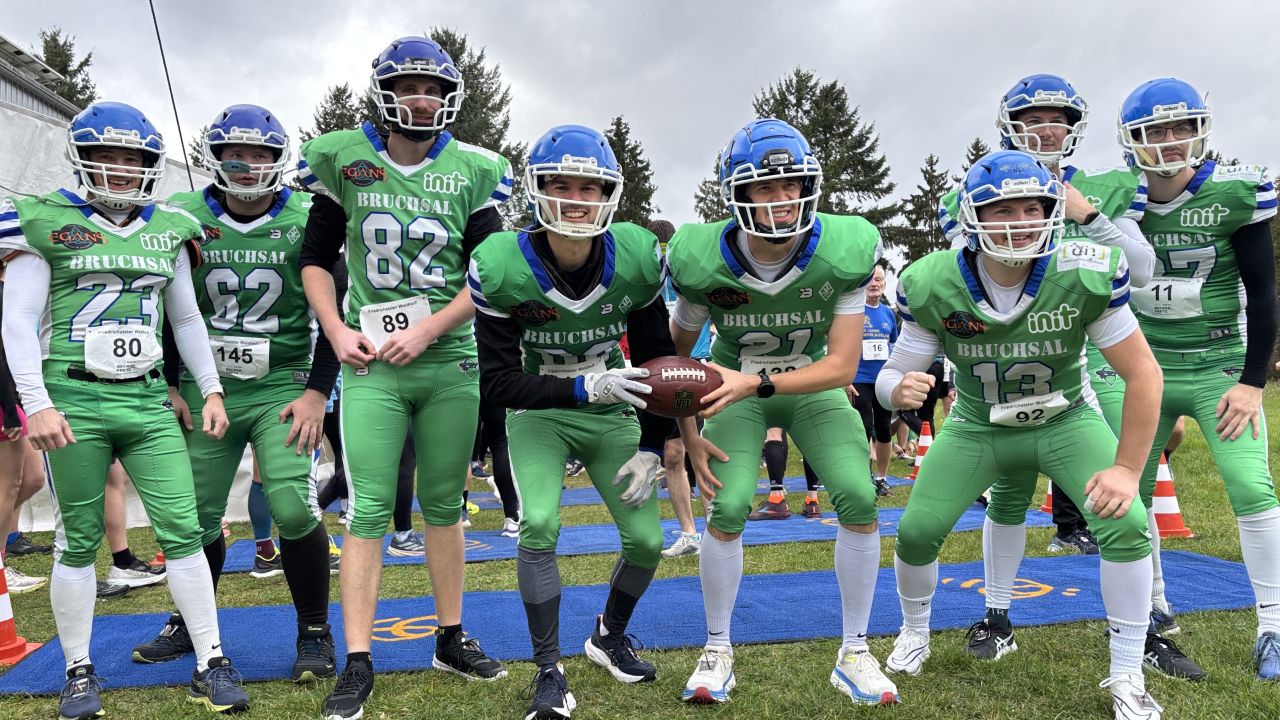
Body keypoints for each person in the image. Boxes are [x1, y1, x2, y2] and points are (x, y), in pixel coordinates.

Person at [881, 150, 1164, 719]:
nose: (1019, 221)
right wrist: (897, 390)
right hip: (977, 425)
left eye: (1032, 207)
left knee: (1128, 523)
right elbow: (893, 372)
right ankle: (915, 631)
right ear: (972, 216)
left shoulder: (1083, 268)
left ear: (1052, 210)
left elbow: (1143, 372)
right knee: (916, 531)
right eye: (1002, 208)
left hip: (1065, 419)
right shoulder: (932, 280)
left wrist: (1128, 470)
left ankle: (1128, 671)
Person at [0, 100, 250, 717]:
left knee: (187, 530)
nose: (119, 169)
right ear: (81, 158)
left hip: (145, 395)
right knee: (76, 539)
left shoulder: (168, 226)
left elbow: (186, 317)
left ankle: (210, 657)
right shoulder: (41, 218)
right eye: (105, 156)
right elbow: (19, 320)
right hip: (75, 396)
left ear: (148, 163)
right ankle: (79, 670)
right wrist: (37, 405)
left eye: (132, 157)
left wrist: (211, 387)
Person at [298, 36, 511, 720]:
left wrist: (428, 328)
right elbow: (314, 258)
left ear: (449, 98)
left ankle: (449, 636)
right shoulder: (344, 158)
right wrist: (336, 330)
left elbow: (489, 276)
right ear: (387, 93)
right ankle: (357, 660)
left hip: (449, 362)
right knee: (365, 508)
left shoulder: (473, 169)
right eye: (411, 86)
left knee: (445, 506)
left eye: (433, 88)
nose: (423, 98)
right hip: (371, 369)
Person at [670, 118, 897, 706]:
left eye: (790, 185)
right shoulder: (699, 257)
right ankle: (716, 646)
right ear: (737, 194)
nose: (781, 200)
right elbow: (677, 359)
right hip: (728, 388)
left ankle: (855, 650)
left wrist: (758, 382)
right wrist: (689, 436)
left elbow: (844, 366)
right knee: (728, 501)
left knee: (859, 493)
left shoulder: (843, 248)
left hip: (811, 383)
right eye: (764, 189)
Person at [129, 104, 340, 683]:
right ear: (215, 157)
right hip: (207, 388)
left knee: (295, 505)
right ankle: (187, 622)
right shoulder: (184, 217)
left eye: (262, 155)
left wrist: (320, 392)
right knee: (191, 515)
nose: (247, 166)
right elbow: (171, 309)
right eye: (233, 155)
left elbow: (333, 315)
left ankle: (315, 630)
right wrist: (171, 383)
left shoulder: (308, 217)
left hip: (284, 383)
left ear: (280, 159)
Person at [472, 124, 675, 720]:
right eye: (559, 184)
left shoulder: (636, 257)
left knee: (647, 540)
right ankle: (548, 670)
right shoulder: (503, 264)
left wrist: (653, 445)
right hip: (540, 413)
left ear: (608, 193)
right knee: (537, 523)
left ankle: (608, 635)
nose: (574, 199)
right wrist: (587, 384)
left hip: (612, 413)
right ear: (536, 191)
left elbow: (657, 358)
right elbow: (498, 382)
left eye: (587, 187)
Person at [1120, 77, 1280, 682]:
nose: (1169, 142)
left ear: (1200, 129)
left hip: (1216, 362)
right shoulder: (1117, 195)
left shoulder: (1235, 194)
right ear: (1132, 141)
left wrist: (1252, 381)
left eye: (1180, 127)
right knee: (1127, 491)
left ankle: (1273, 625)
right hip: (1142, 367)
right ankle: (1155, 605)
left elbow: (1264, 295)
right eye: (1155, 131)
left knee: (1250, 487)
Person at [852, 265, 897, 497]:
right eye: (870, 280)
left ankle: (882, 477)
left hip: (883, 379)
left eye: (879, 280)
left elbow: (894, 345)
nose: (874, 284)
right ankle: (862, 476)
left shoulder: (889, 313)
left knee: (884, 428)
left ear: (885, 285)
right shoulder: (855, 311)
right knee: (863, 426)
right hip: (859, 378)